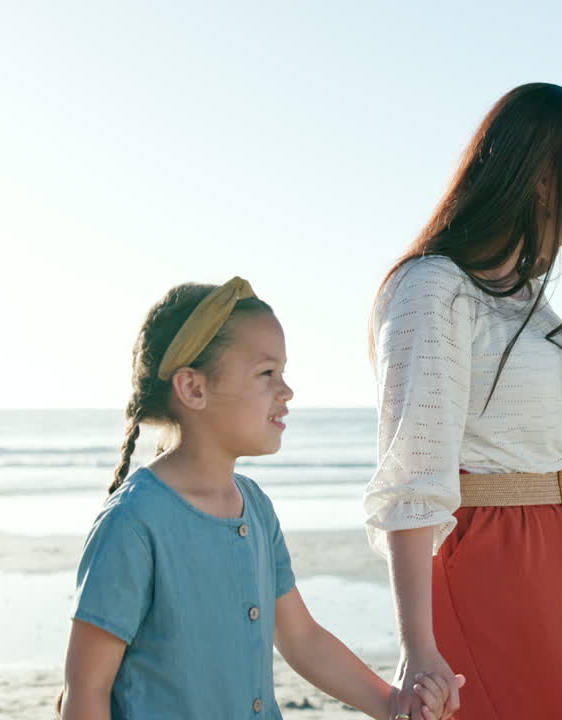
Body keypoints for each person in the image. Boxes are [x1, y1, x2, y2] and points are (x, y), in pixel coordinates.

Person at [364, 83, 562, 720]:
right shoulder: (434, 288)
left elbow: (549, 477)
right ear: (545, 180)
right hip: (485, 568)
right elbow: (415, 478)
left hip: (548, 568)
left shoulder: (531, 301)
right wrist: (418, 648)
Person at [58, 278, 453, 720]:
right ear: (193, 388)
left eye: (283, 373)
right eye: (266, 373)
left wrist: (393, 703)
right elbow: (86, 690)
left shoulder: (255, 507)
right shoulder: (134, 522)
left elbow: (302, 638)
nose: (286, 391)